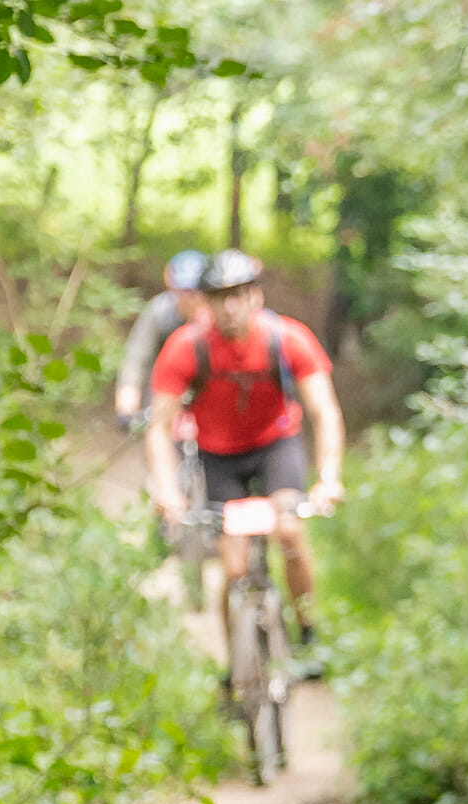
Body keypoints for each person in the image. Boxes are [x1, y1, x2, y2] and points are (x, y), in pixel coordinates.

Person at [143, 251, 347, 640]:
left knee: (288, 532)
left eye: (239, 294)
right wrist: (168, 492)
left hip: (275, 446)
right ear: (207, 302)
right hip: (218, 456)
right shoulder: (185, 348)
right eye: (221, 297)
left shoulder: (288, 339)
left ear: (257, 297)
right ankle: (237, 667)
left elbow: (325, 412)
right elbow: (159, 426)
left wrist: (328, 478)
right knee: (233, 566)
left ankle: (308, 632)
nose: (231, 307)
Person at [113, 250, 212, 427]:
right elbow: (136, 359)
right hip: (164, 396)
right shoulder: (159, 313)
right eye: (184, 290)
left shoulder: (218, 317)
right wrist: (126, 408)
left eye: (196, 290)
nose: (191, 298)